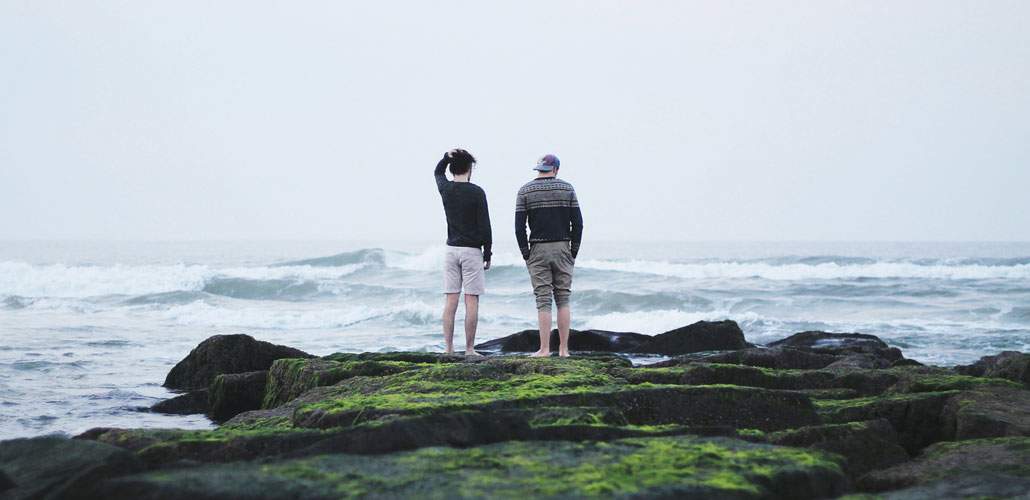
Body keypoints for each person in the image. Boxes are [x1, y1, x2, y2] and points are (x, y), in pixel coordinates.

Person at [515, 154, 583, 357]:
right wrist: (573, 250)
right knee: (563, 298)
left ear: (539, 169)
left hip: (538, 248)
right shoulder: (567, 189)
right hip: (563, 246)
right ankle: (564, 349)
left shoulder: (525, 190)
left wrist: (526, 254)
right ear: (556, 169)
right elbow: (578, 223)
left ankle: (544, 349)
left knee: (543, 300)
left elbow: (519, 228)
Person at [434, 149, 492, 356]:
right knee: (471, 300)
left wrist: (446, 157)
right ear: (469, 169)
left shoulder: (446, 189)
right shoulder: (477, 192)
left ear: (452, 169)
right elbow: (485, 225)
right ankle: (469, 349)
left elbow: (437, 173)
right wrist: (488, 254)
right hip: (471, 251)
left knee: (450, 300)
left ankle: (448, 349)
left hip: (451, 250)